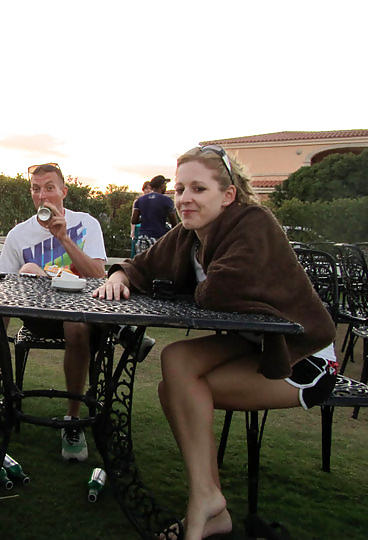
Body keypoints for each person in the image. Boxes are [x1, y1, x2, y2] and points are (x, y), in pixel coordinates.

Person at [93, 145, 337, 540]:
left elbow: (225, 287)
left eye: (198, 189)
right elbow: (142, 266)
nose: (185, 198)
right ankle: (208, 500)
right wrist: (119, 277)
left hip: (301, 358)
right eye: (179, 189)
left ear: (228, 196)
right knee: (175, 359)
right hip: (256, 344)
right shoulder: (189, 234)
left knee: (180, 390)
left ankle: (204, 504)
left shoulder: (254, 223)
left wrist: (188, 286)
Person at [0, 162, 107, 462]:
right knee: (29, 268)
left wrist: (64, 238)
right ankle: (1, 404)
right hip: (39, 317)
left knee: (76, 324)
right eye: (36, 189)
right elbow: (5, 289)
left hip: (82, 314)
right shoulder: (19, 234)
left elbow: (99, 275)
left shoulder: (86, 224)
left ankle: (72, 420)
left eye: (49, 188)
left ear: (63, 192)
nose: (42, 195)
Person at [131, 174, 179, 255]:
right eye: (165, 184)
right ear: (162, 186)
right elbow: (174, 223)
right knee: (158, 264)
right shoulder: (167, 201)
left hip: (142, 237)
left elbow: (134, 220)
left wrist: (146, 218)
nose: (166, 187)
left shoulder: (140, 200)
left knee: (143, 264)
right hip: (158, 238)